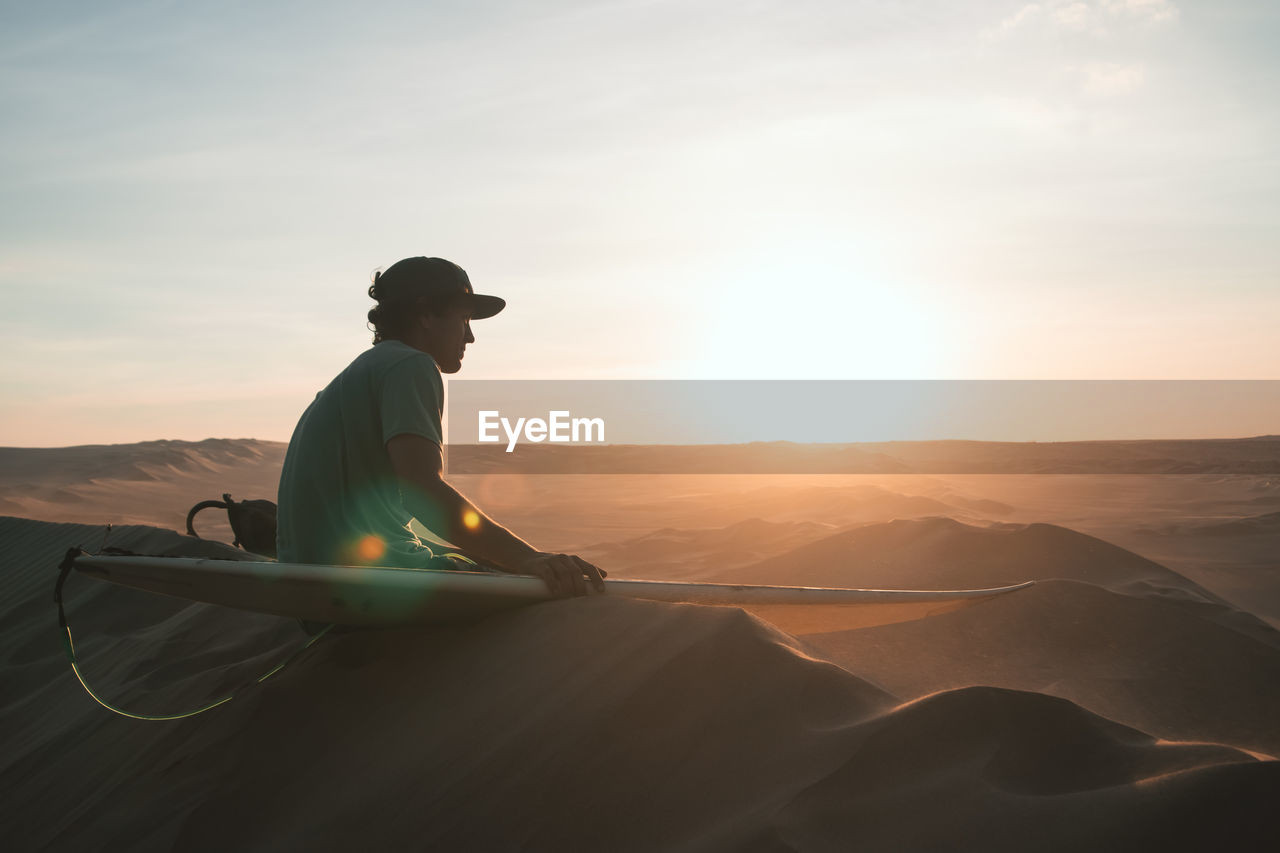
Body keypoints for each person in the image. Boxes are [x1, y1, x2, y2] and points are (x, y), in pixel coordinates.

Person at [276, 256, 606, 597]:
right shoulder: (410, 365)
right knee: (546, 599)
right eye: (463, 319)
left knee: (486, 562)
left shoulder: (358, 374)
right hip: (372, 581)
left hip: (311, 583)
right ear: (425, 314)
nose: (471, 336)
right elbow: (423, 491)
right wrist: (529, 558)